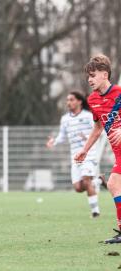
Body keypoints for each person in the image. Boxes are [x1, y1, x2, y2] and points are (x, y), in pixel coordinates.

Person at [75, 54, 121, 244]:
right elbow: (98, 127)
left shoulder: (119, 93)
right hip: (119, 153)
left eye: (93, 75)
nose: (89, 79)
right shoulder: (93, 100)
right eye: (88, 76)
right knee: (113, 185)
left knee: (112, 184)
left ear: (104, 74)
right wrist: (85, 149)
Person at [46, 91, 106, 218]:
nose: (69, 102)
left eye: (72, 99)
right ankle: (98, 181)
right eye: (67, 100)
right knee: (78, 187)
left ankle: (95, 212)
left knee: (86, 179)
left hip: (89, 154)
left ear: (79, 101)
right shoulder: (65, 119)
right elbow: (62, 136)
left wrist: (87, 137)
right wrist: (54, 141)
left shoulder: (88, 116)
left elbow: (99, 131)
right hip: (75, 156)